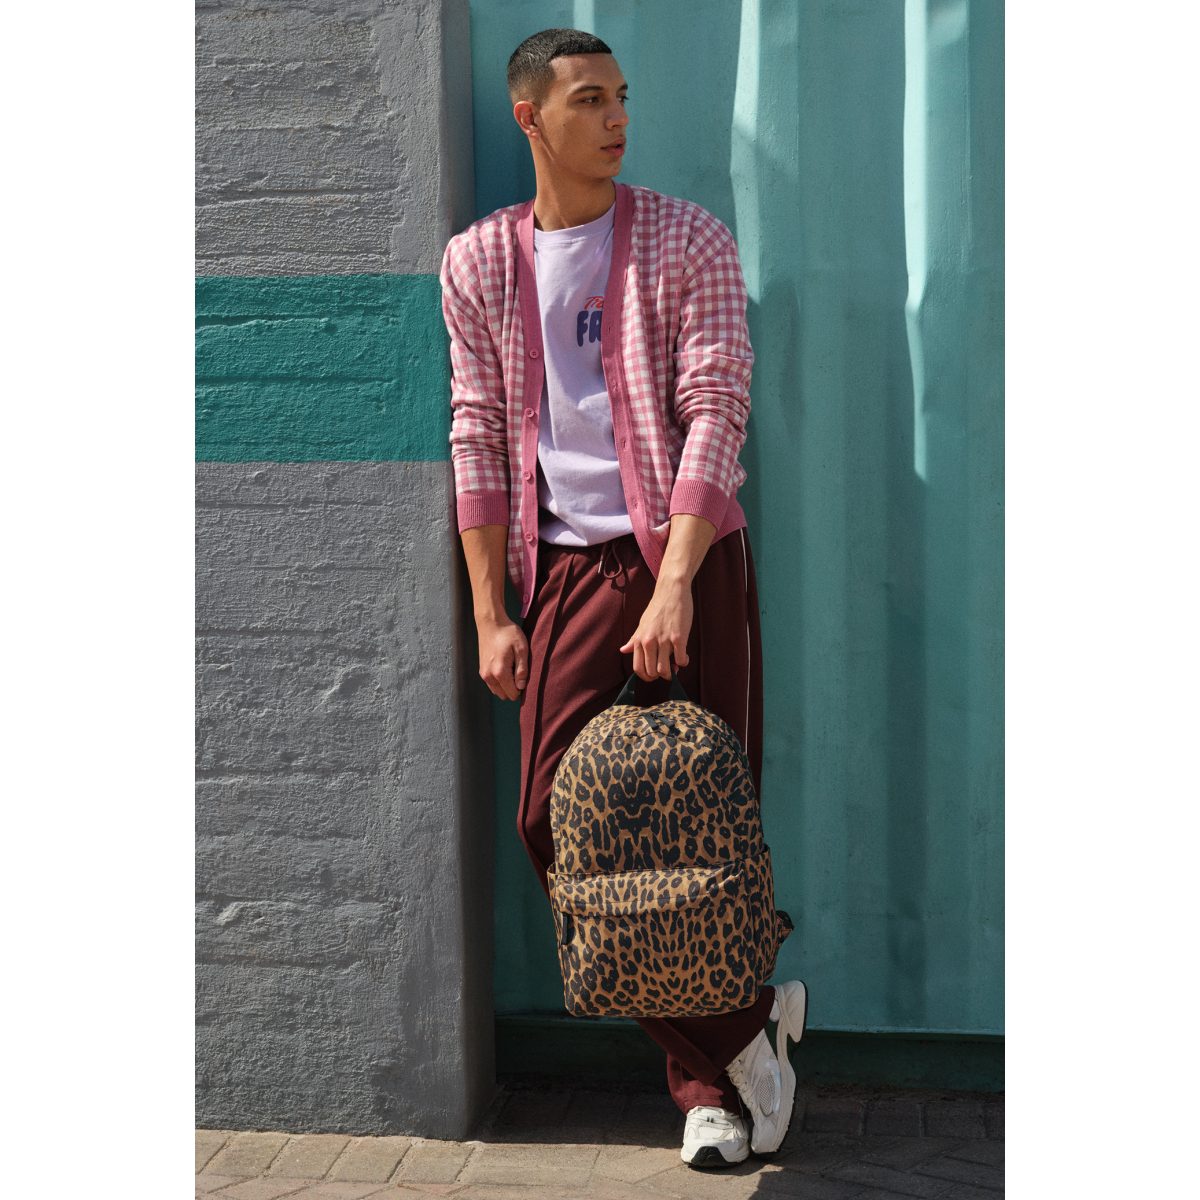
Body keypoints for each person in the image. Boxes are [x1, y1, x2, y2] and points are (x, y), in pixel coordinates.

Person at [440, 27, 807, 1167]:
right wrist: (491, 610)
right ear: (529, 118)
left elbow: (718, 406)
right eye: (589, 100)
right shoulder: (479, 263)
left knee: (707, 823)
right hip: (567, 573)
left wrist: (677, 584)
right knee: (553, 817)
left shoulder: (688, 239)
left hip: (693, 559)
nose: (616, 119)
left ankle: (705, 1095)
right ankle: (747, 1033)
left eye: (622, 97)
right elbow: (477, 433)